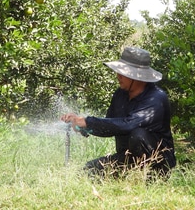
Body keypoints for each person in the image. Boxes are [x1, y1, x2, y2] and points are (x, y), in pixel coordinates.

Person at [61, 47, 176, 178]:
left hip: (159, 163)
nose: (118, 76)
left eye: (124, 73)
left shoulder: (156, 99)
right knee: (87, 171)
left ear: (137, 76)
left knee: (138, 134)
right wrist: (83, 127)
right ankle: (127, 174)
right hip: (127, 157)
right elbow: (110, 127)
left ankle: (150, 178)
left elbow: (128, 124)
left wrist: (88, 121)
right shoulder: (120, 95)